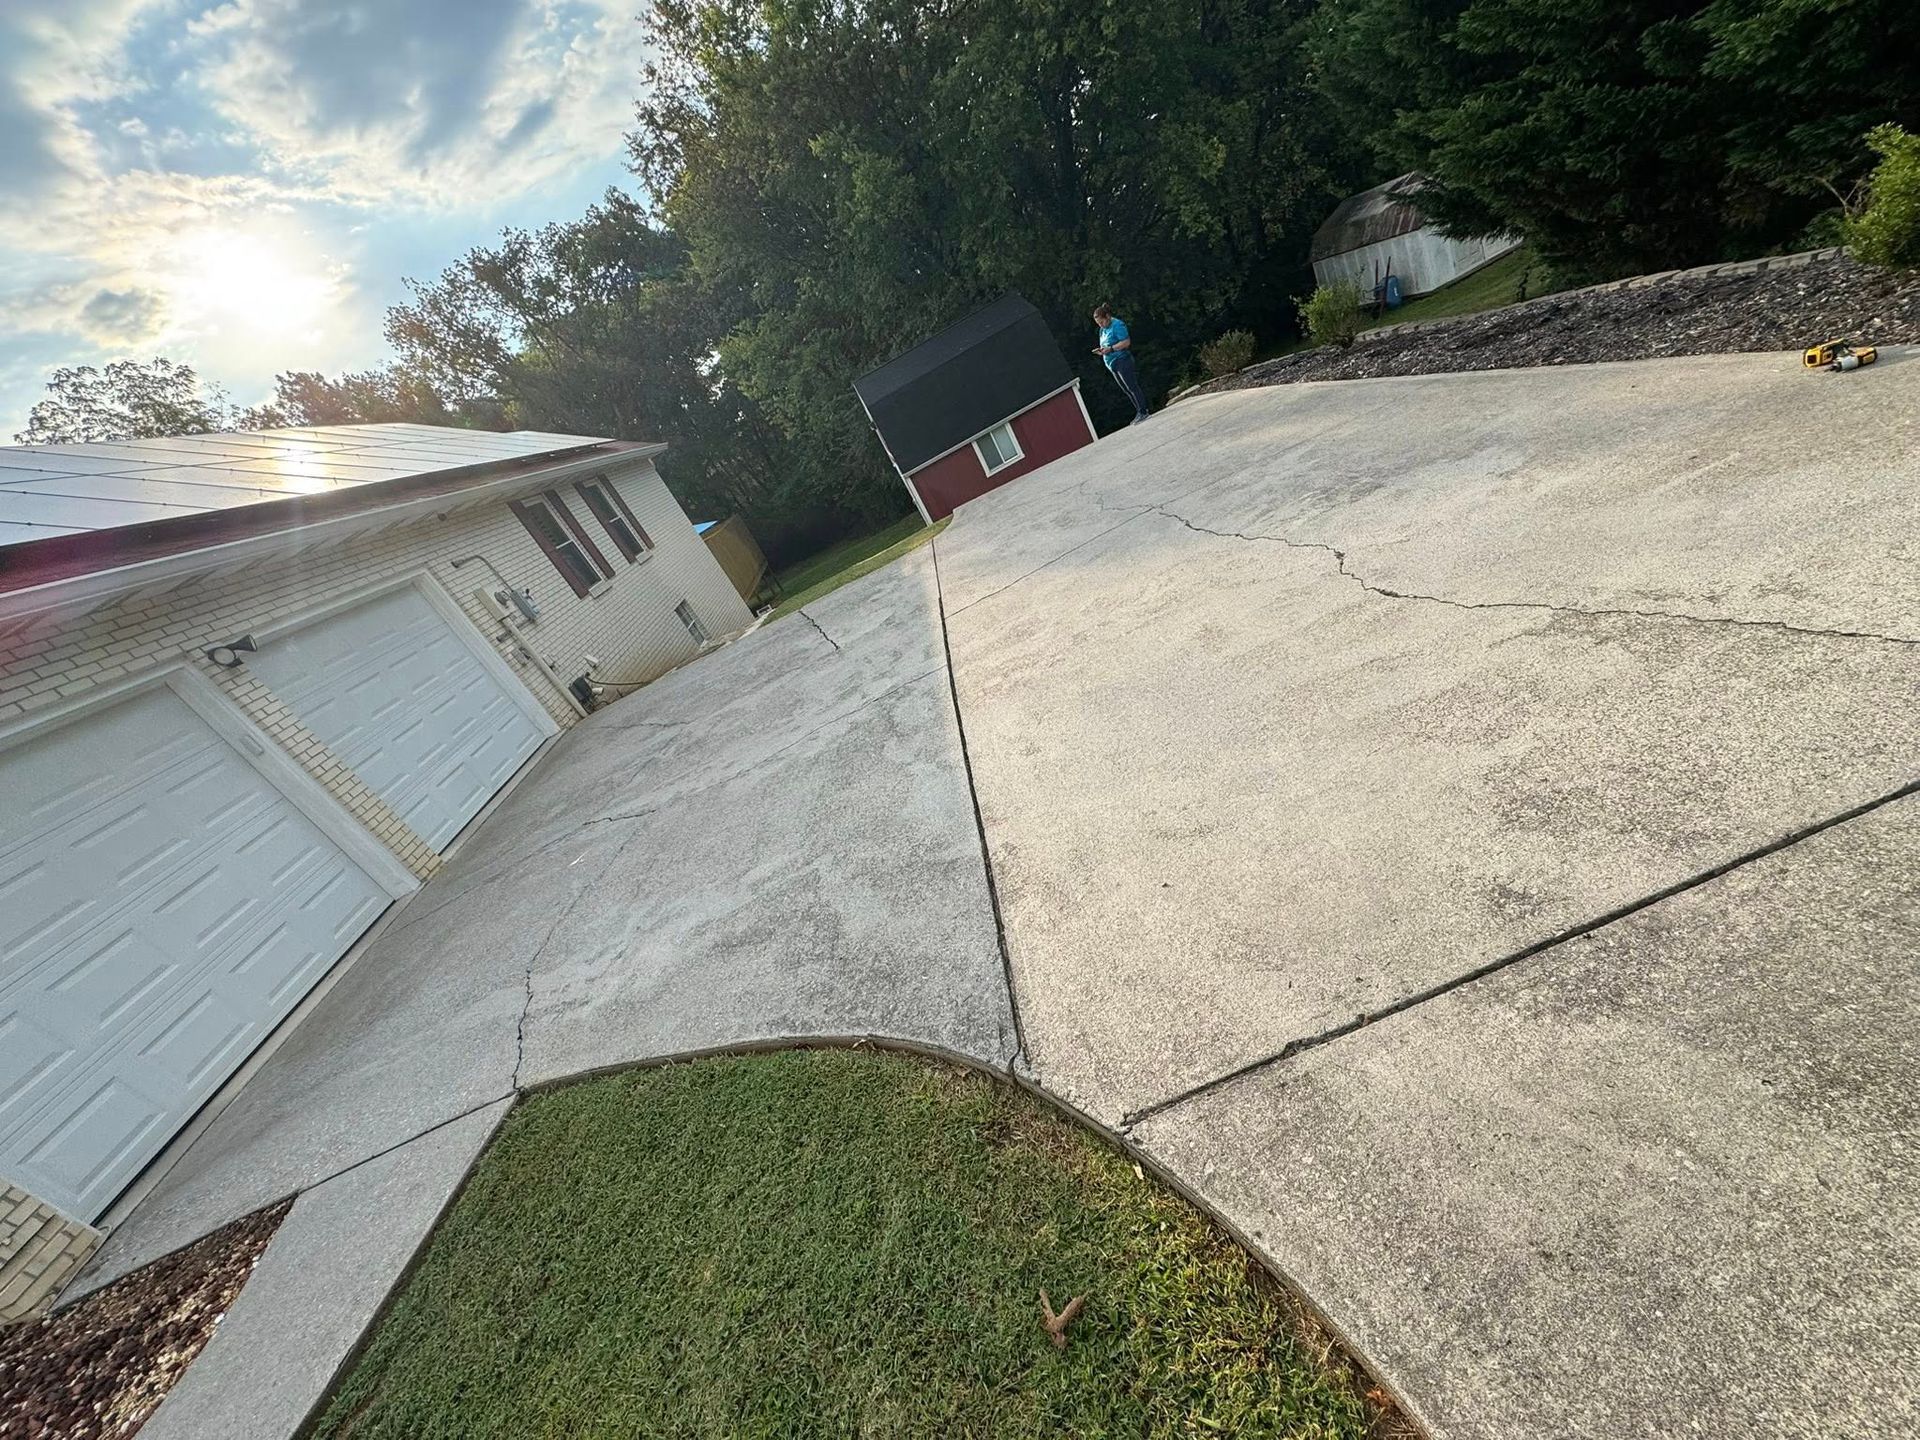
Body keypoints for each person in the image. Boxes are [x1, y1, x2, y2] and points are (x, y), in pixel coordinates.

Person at [1093, 303, 1150, 425]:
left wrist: (1111, 349)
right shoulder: (1102, 330)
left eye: (1102, 322)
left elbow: (1126, 342)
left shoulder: (1117, 325)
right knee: (1126, 389)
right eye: (1098, 323)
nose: (1101, 325)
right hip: (1112, 363)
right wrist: (1102, 351)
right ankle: (1139, 411)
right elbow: (1105, 344)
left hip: (1122, 360)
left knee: (1132, 386)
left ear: (1107, 316)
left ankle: (1143, 410)